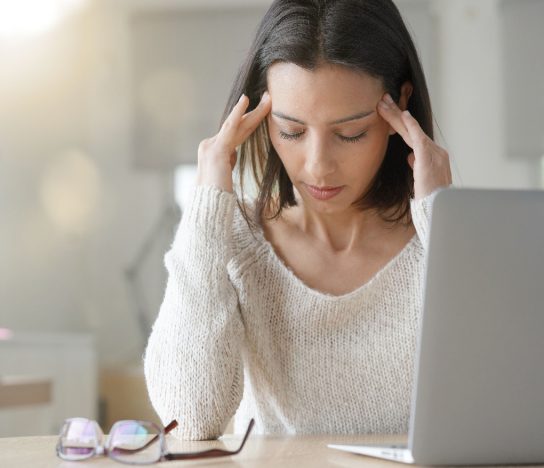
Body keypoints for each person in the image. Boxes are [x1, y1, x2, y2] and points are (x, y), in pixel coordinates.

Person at [144, 0, 452, 440]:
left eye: (351, 133)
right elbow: (189, 418)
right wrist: (209, 200)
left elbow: (498, 406)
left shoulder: (439, 237)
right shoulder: (236, 241)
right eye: (291, 131)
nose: (318, 166)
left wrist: (444, 221)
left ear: (400, 103)